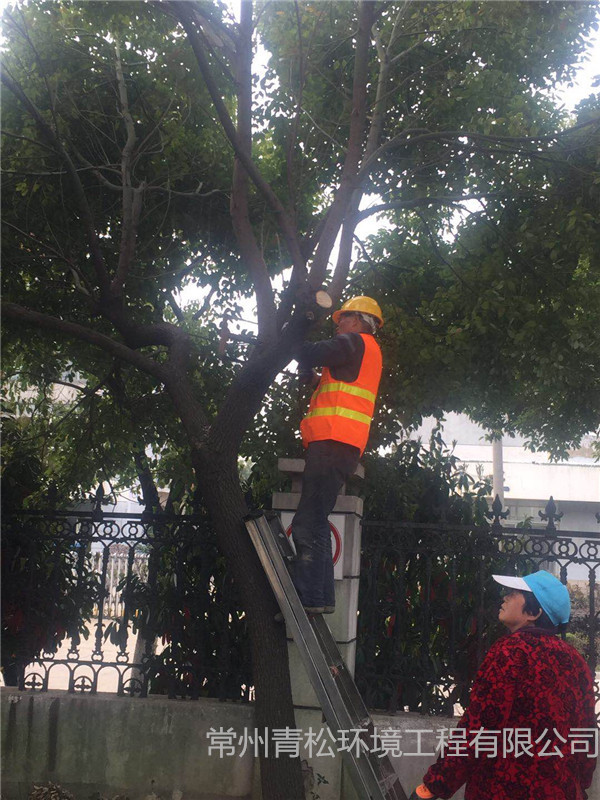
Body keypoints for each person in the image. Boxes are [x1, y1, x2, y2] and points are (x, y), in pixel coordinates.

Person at [409, 570, 597, 800]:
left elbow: (479, 728)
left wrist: (436, 784)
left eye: (514, 593)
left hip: (505, 789)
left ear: (534, 612)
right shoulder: (575, 660)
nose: (505, 597)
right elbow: (586, 731)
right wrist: (581, 783)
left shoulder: (510, 651)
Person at [289, 296, 383, 615]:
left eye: (342, 318)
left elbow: (311, 351)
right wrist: (314, 379)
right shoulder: (365, 352)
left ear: (357, 321)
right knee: (316, 518)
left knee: (308, 521)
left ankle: (310, 599)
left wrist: (291, 339)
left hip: (332, 442)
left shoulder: (353, 342)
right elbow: (341, 387)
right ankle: (321, 597)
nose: (338, 324)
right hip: (343, 445)